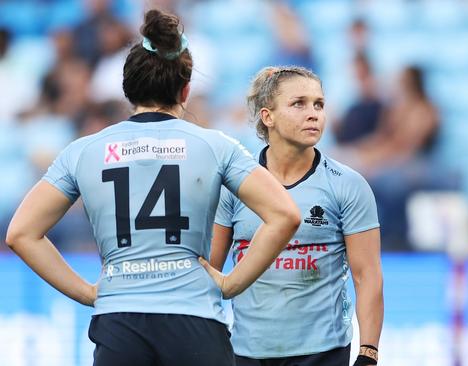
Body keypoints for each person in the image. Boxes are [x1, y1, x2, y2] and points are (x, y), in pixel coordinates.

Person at [5, 10, 300, 366]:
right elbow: (284, 214)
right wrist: (232, 283)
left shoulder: (84, 150)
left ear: (128, 88)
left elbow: (21, 234)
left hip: (120, 323)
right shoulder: (215, 145)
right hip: (195, 321)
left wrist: (86, 292)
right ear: (186, 89)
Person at [205, 66, 384, 366]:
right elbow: (209, 270)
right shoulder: (233, 186)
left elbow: (367, 276)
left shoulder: (348, 185)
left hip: (323, 353)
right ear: (268, 116)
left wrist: (368, 353)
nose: (313, 113)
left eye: (319, 104)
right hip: (246, 353)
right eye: (298, 103)